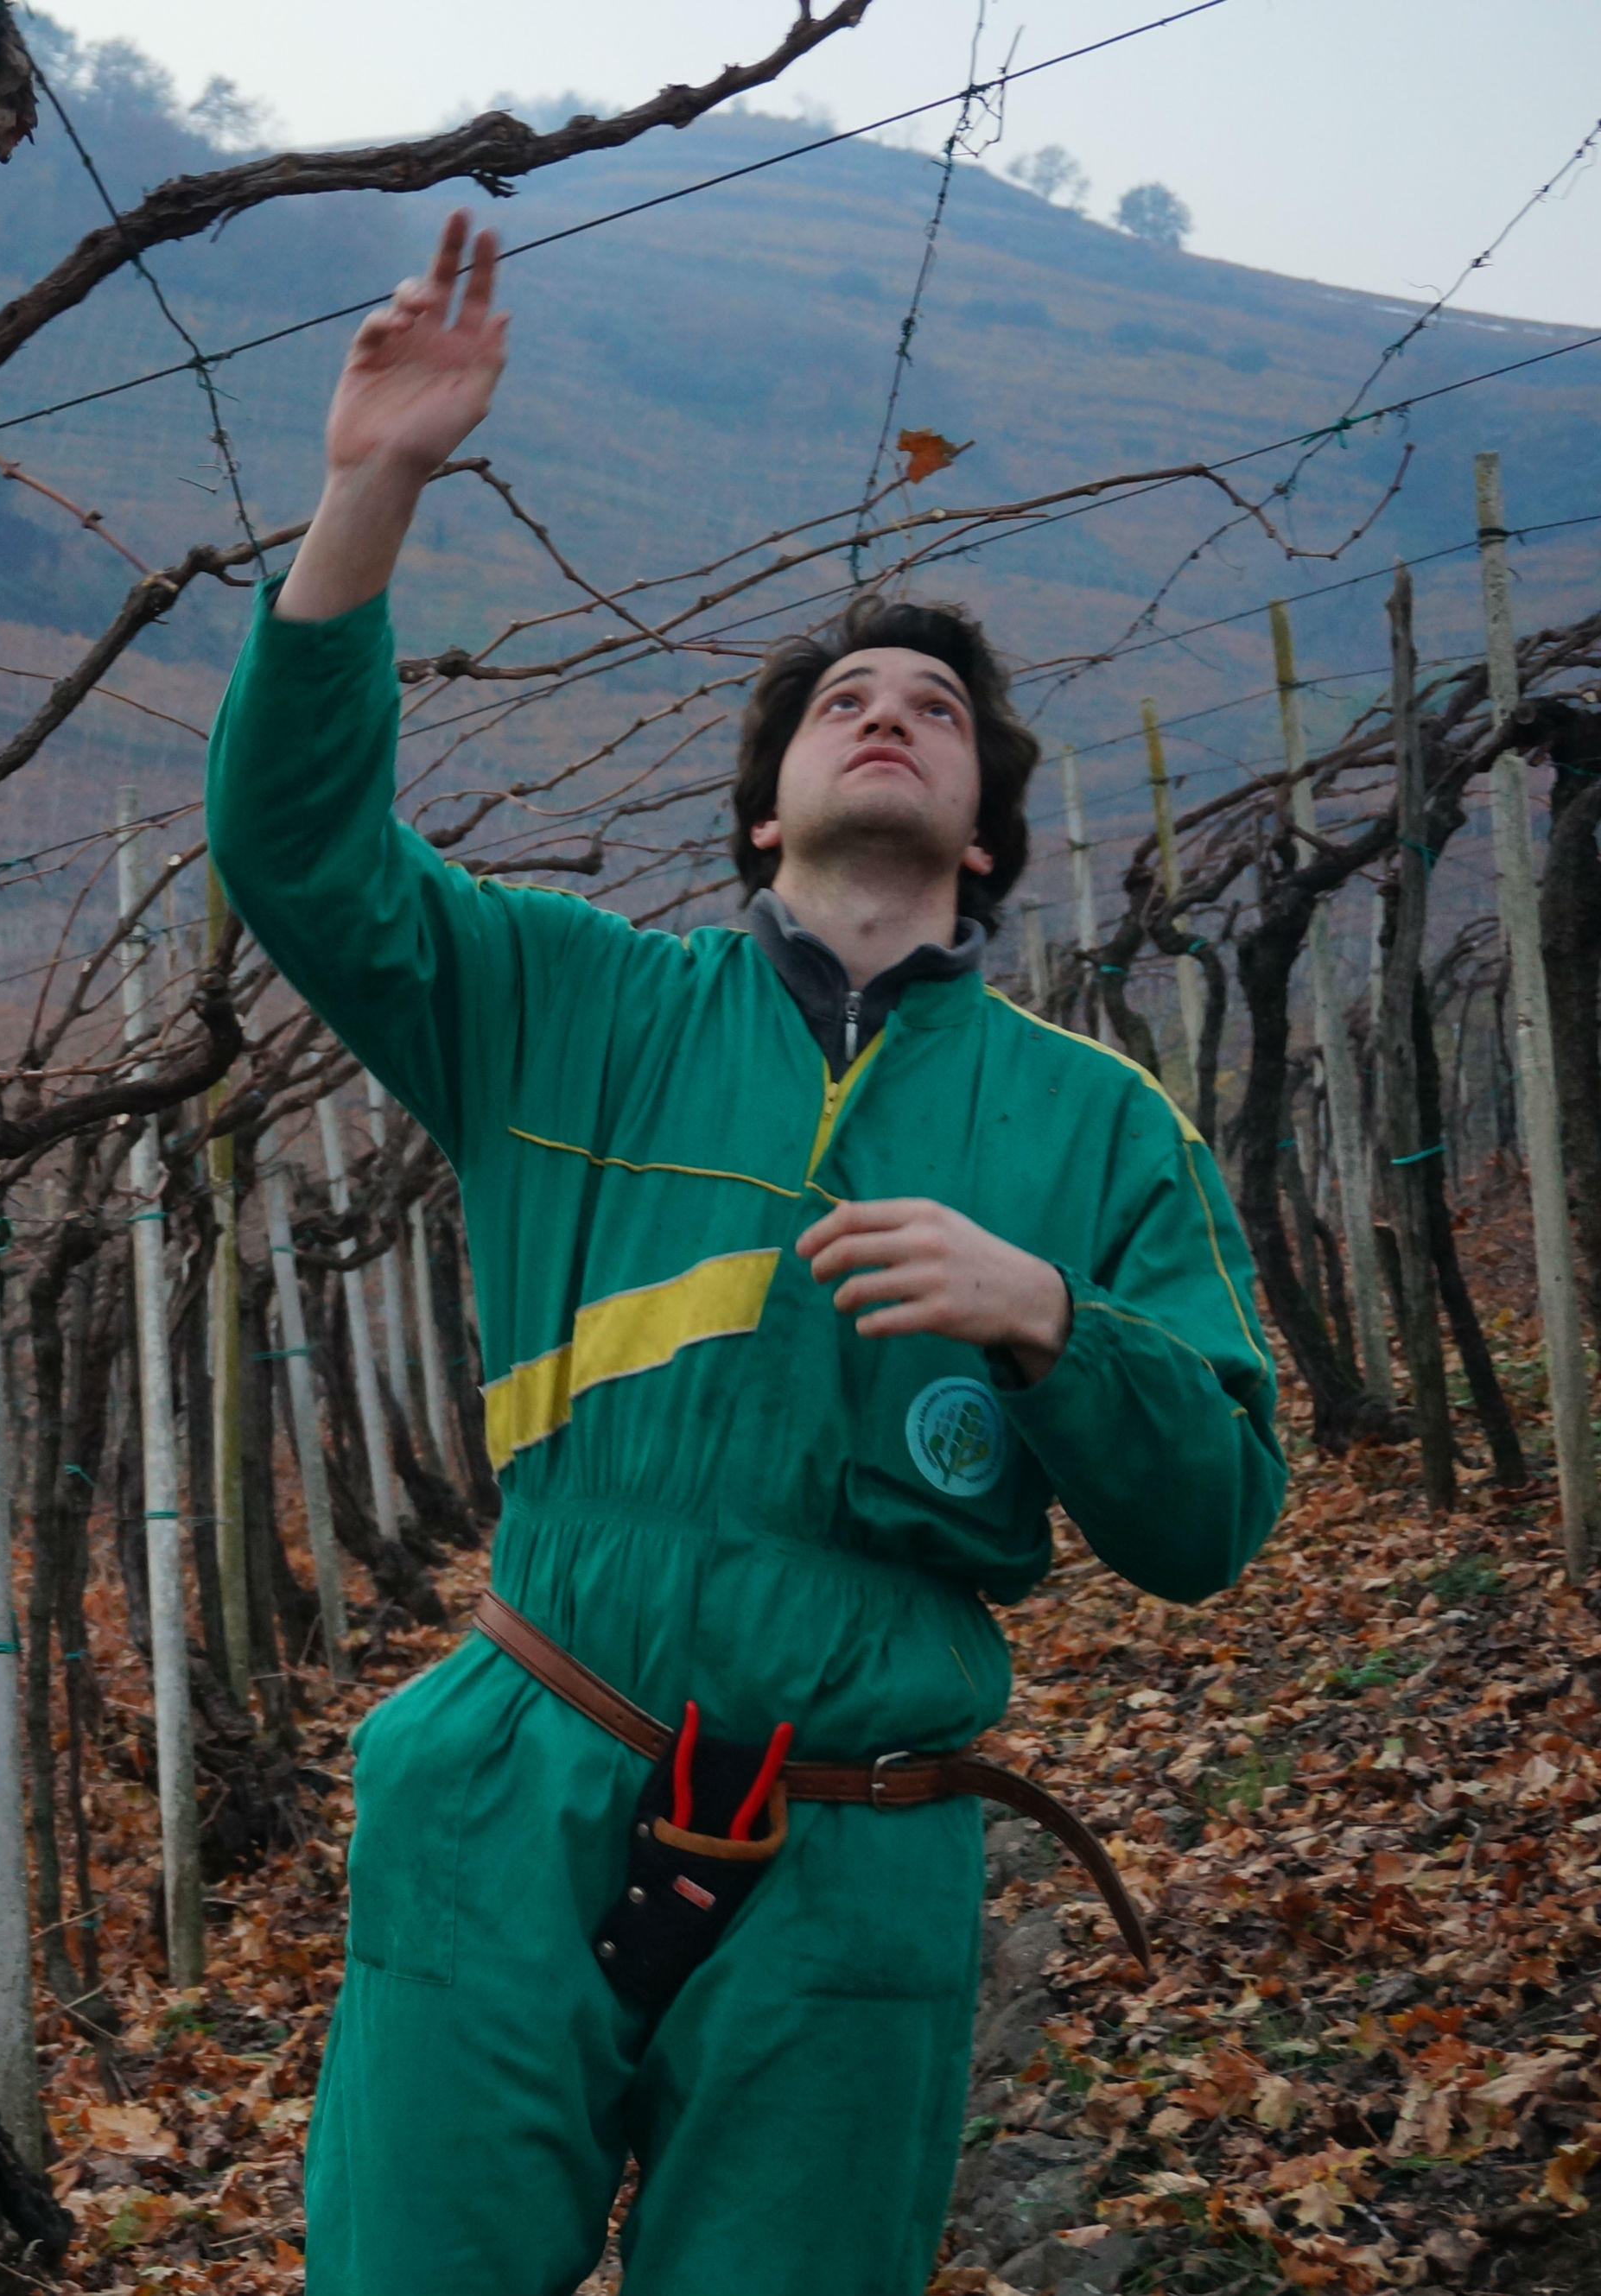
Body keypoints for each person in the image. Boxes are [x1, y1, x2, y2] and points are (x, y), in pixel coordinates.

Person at [202, 212, 1287, 2296]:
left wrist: (1051, 1324)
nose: (885, 715)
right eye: (838, 704)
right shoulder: (563, 1001)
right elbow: (295, 848)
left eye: (931, 710)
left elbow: (1211, 1520)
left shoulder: (1094, 1125)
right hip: (520, 1766)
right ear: (761, 815)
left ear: (982, 831)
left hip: (861, 1841)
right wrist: (373, 486)